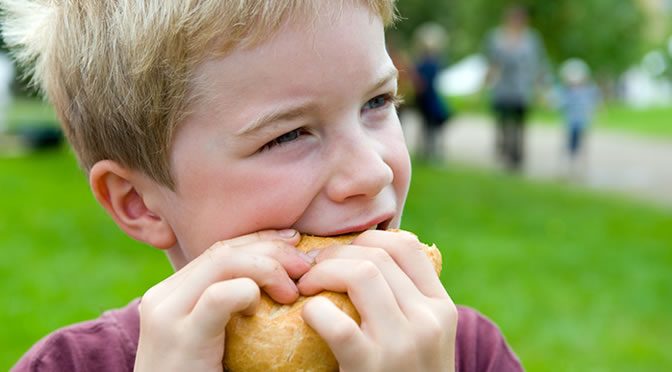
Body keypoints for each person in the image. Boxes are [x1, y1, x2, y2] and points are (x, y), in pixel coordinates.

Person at [2, 1, 522, 371]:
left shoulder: (463, 352)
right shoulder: (68, 365)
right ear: (141, 202)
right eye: (289, 134)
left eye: (377, 103)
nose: (373, 172)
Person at [483, 4, 549, 171]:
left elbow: (537, 64)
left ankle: (517, 156)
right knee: (503, 121)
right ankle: (505, 150)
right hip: (503, 88)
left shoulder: (532, 39)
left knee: (520, 123)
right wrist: (487, 81)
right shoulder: (497, 37)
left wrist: (540, 88)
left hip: (521, 88)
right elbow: (492, 62)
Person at [413, 22, 452, 161]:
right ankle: (427, 151)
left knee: (431, 125)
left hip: (430, 98)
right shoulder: (425, 62)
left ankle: (431, 151)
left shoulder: (432, 62)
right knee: (427, 125)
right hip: (426, 98)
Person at [557, 58, 601, 177]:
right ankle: (569, 167)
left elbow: (593, 103)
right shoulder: (566, 92)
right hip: (571, 122)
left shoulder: (588, 90)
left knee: (582, 145)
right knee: (569, 145)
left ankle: (582, 168)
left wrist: (593, 113)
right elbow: (560, 104)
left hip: (582, 122)